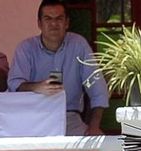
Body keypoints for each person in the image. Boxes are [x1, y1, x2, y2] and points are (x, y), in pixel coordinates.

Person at [7, 0, 108, 136]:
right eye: (48, 19)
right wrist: (36, 87)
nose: (54, 24)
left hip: (69, 117)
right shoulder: (26, 48)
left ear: (67, 23)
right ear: (39, 24)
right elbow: (14, 84)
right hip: (32, 117)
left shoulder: (78, 45)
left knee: (102, 149)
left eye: (59, 19)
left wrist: (94, 127)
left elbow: (98, 90)